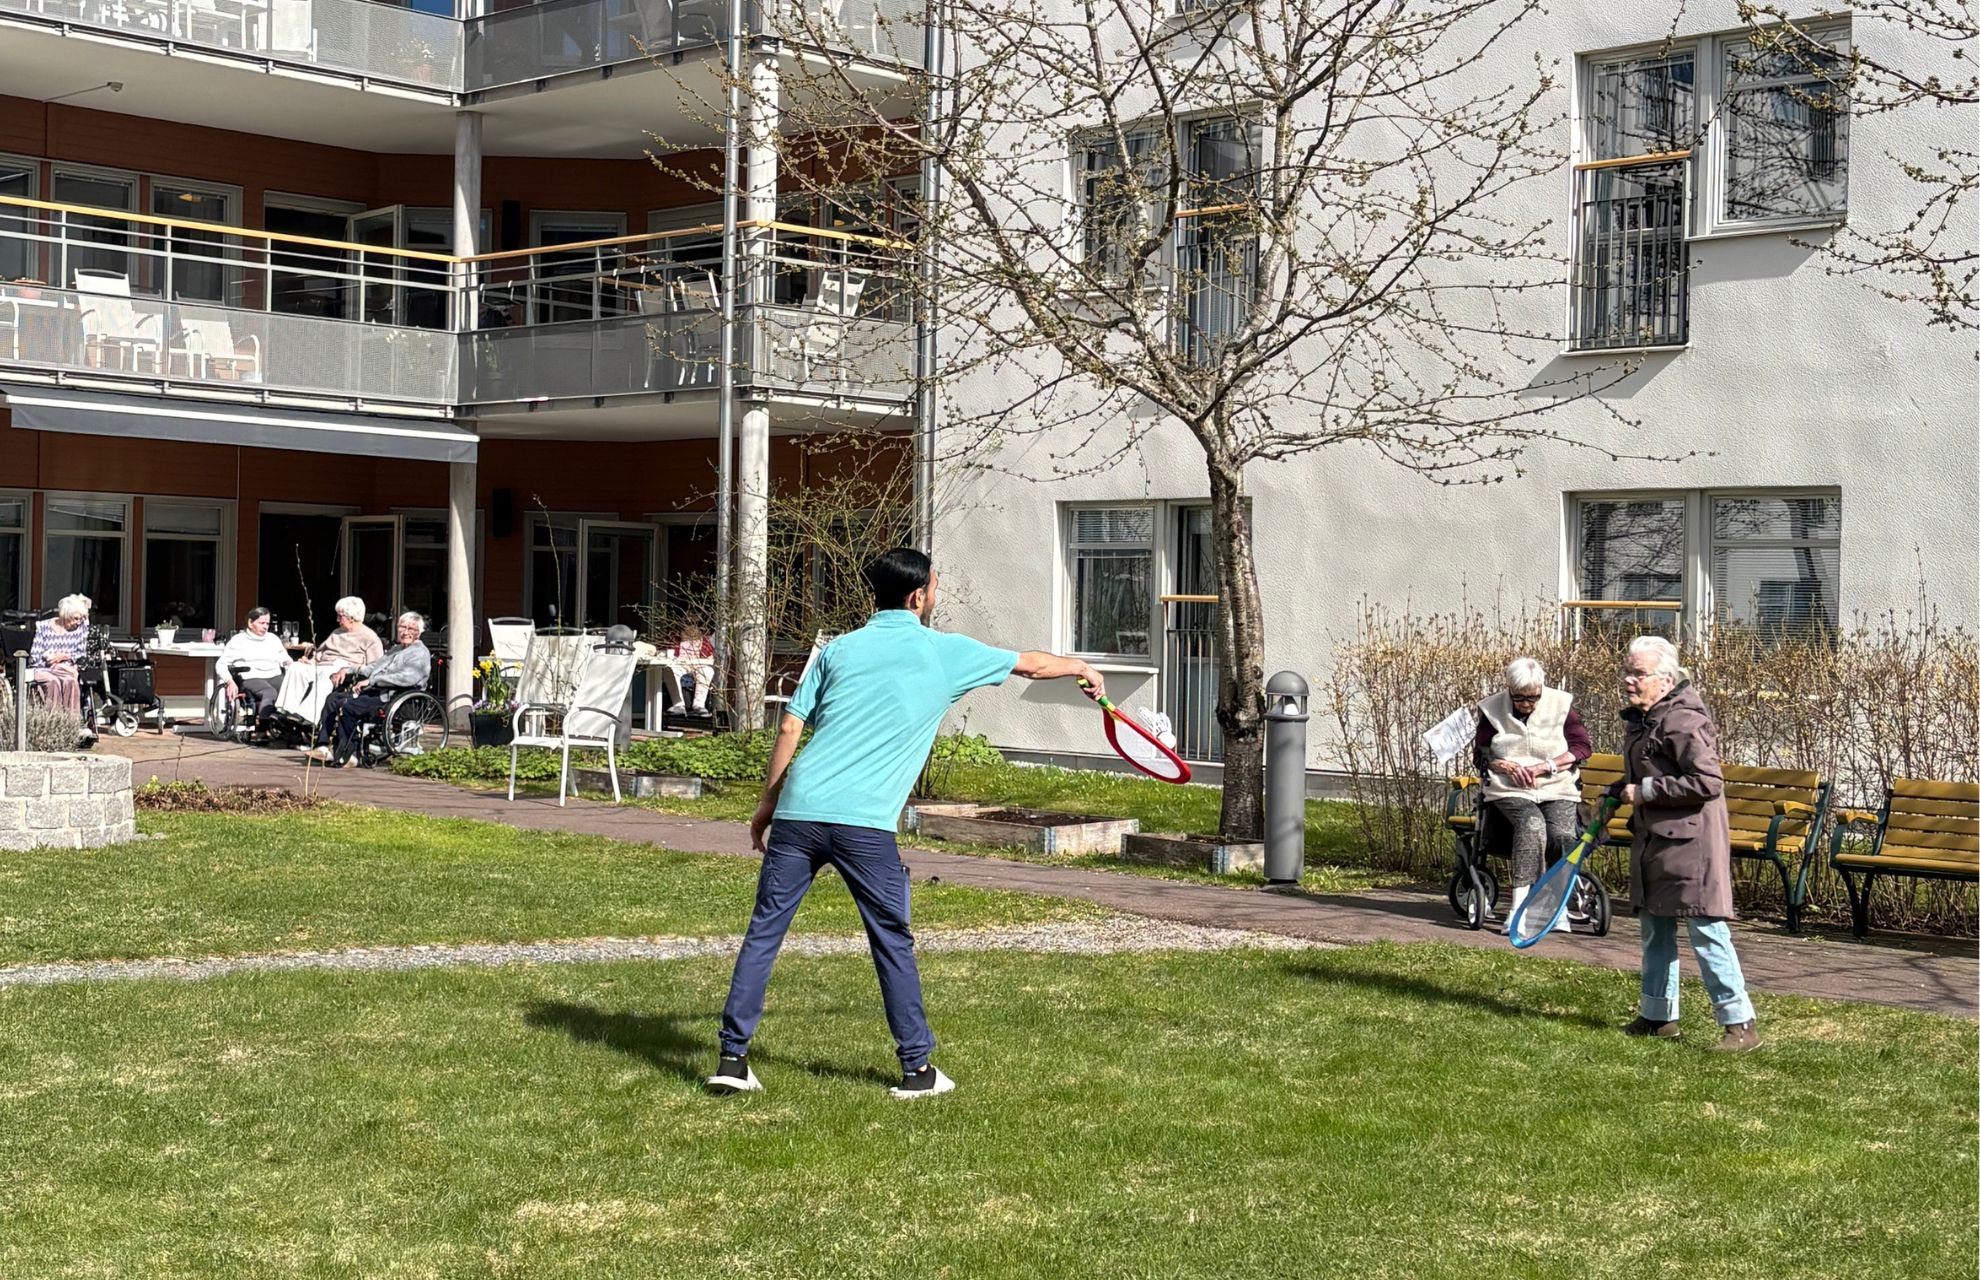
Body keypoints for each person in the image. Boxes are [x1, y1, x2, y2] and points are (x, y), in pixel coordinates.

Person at [708, 548, 1104, 1100]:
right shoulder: (943, 652)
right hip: (864, 825)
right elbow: (1032, 665)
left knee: (764, 933)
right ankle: (917, 1071)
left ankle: (732, 1060)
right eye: (935, 587)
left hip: (799, 812)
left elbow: (791, 727)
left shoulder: (838, 649)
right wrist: (1083, 668)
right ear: (918, 597)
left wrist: (767, 804)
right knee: (892, 940)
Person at [1613, 635, 1759, 1052]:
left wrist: (1645, 793)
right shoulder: (1647, 718)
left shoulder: (1684, 720)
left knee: (1707, 932)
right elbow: (1645, 772)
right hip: (1657, 842)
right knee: (1654, 930)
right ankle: (1658, 1016)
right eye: (1627, 671)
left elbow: (1707, 782)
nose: (1628, 680)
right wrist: (1618, 790)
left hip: (1692, 846)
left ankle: (1740, 1025)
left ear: (1665, 678)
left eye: (1637, 674)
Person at [1473, 657, 1592, 927]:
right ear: (1508, 689)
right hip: (1509, 788)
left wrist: (1547, 766)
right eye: (1520, 698)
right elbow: (1480, 754)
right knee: (1531, 824)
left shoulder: (1561, 704)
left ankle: (1557, 907)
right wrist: (1502, 764)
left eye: (1533, 697)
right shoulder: (1492, 708)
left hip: (1556, 784)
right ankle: (1519, 909)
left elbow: (1582, 747)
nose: (1527, 704)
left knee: (1562, 836)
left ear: (1541, 688)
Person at [310, 612, 431, 767]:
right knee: (333, 699)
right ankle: (323, 745)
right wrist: (348, 670)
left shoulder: (420, 653)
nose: (405, 631)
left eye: (411, 628)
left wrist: (374, 680)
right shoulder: (396, 649)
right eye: (402, 627)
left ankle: (350, 753)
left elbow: (407, 678)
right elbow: (374, 668)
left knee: (348, 706)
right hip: (378, 692)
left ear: (419, 632)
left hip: (395, 697)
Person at [215, 607, 291, 737]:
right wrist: (230, 681)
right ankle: (262, 728)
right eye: (262, 623)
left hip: (274, 674)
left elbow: (285, 659)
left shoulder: (273, 639)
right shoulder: (239, 641)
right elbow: (221, 664)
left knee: (293, 689)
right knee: (270, 692)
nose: (265, 627)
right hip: (251, 676)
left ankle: (293, 727)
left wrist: (289, 665)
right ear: (250, 623)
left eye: (267, 623)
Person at [27, 594, 90, 725]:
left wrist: (63, 657)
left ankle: (71, 725)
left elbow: (80, 653)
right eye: (76, 618)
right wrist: (50, 661)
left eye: (80, 618)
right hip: (44, 668)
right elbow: (35, 656)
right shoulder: (43, 627)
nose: (78, 622)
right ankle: (52, 723)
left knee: (70, 682)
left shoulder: (81, 628)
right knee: (52, 682)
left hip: (66, 669)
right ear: (65, 615)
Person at [666, 622, 714, 717]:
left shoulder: (704, 642)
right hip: (681, 665)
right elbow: (668, 652)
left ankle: (699, 705)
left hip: (698, 665)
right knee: (669, 669)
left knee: (708, 671)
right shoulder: (676, 639)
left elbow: (711, 656)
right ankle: (678, 704)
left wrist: (705, 658)